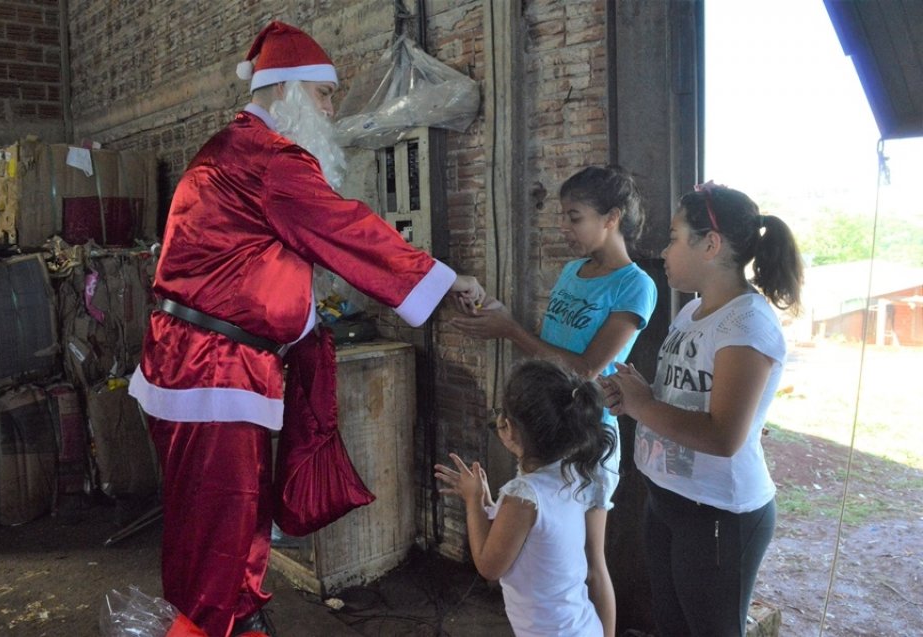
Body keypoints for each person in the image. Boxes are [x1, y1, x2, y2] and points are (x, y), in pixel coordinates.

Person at [127, 21, 484, 637]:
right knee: (223, 525)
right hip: (215, 370)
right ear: (289, 90)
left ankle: (231, 617)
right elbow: (345, 229)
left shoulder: (229, 149)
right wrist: (445, 281)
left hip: (198, 363)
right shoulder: (272, 159)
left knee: (217, 520)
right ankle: (214, 625)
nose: (330, 107)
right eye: (325, 94)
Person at [451, 164, 657, 635]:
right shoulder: (572, 270)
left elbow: (585, 370)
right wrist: (501, 316)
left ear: (612, 218)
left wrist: (511, 330)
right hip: (548, 423)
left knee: (591, 559)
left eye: (574, 216)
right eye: (563, 216)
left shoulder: (635, 285)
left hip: (586, 433)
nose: (563, 227)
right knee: (547, 543)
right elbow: (550, 354)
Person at [602, 182, 803, 637]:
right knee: (673, 627)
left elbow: (723, 436)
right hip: (669, 497)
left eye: (674, 237)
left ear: (710, 244)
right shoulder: (691, 312)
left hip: (718, 513)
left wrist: (645, 403)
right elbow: (680, 399)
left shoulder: (746, 323)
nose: (665, 249)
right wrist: (636, 395)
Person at [435, 359, 616, 636]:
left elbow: (489, 566)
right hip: (583, 627)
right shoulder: (574, 474)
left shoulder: (523, 497)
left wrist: (472, 502)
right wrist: (486, 503)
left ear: (509, 428)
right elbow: (531, 540)